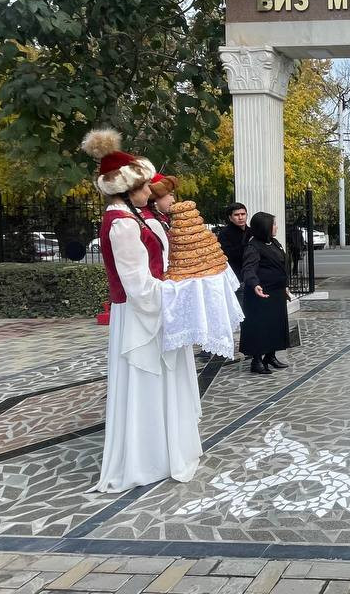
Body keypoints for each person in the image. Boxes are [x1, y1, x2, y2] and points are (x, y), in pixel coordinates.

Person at [80, 128, 201, 493]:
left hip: (151, 308)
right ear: (129, 188)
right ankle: (148, 457)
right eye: (145, 186)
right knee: (146, 381)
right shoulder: (121, 223)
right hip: (140, 314)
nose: (151, 191)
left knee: (158, 380)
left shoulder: (130, 218)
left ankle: (160, 452)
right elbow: (137, 285)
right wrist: (176, 291)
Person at [240, 213, 292, 375]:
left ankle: (270, 356)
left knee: (275, 325)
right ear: (264, 227)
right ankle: (256, 361)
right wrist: (255, 284)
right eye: (273, 224)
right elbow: (248, 268)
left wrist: (285, 286)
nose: (276, 227)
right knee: (260, 327)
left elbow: (281, 266)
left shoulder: (274, 243)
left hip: (276, 293)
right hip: (260, 295)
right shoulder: (253, 247)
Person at [217, 203, 250, 274]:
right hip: (235, 273)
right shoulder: (224, 234)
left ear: (247, 215)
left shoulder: (252, 231)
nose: (240, 218)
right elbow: (228, 255)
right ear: (230, 218)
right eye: (236, 215)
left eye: (243, 214)